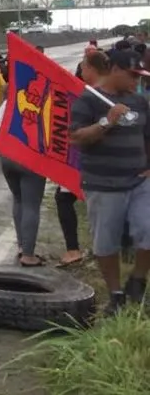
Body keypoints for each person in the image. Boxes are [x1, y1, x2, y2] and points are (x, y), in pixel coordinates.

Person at [68, 49, 150, 314]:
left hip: (139, 182)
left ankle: (138, 279)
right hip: (103, 185)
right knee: (106, 242)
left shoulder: (139, 101)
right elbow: (77, 138)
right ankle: (115, 295)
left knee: (147, 230)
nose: (136, 81)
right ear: (114, 69)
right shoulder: (88, 100)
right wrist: (107, 121)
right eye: (131, 75)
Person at [56, 51, 113, 267]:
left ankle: (76, 250)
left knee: (69, 200)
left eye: (83, 66)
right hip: (99, 160)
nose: (81, 70)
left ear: (90, 69)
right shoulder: (111, 93)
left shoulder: (92, 96)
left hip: (87, 158)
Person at [0, 87, 46, 266]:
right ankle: (28, 254)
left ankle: (21, 245)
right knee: (31, 205)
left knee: (18, 200)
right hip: (32, 159)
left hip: (9, 158)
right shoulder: (45, 100)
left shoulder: (9, 102)